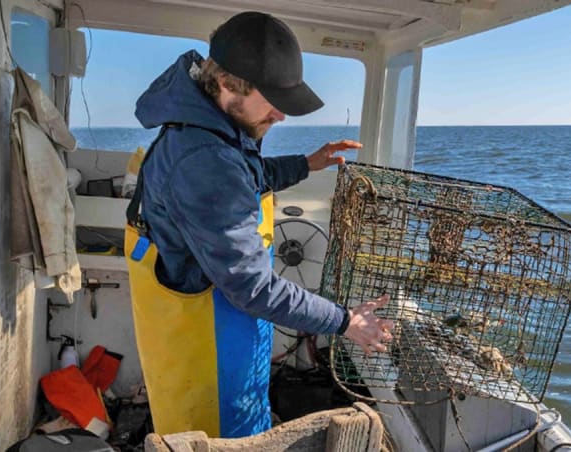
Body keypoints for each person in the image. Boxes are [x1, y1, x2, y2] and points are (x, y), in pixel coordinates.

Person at [124, 11, 393, 439]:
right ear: (229, 83)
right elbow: (253, 288)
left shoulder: (208, 126)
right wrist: (346, 322)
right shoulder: (204, 161)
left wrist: (307, 164)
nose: (281, 116)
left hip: (218, 335)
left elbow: (244, 174)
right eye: (272, 101)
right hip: (209, 359)